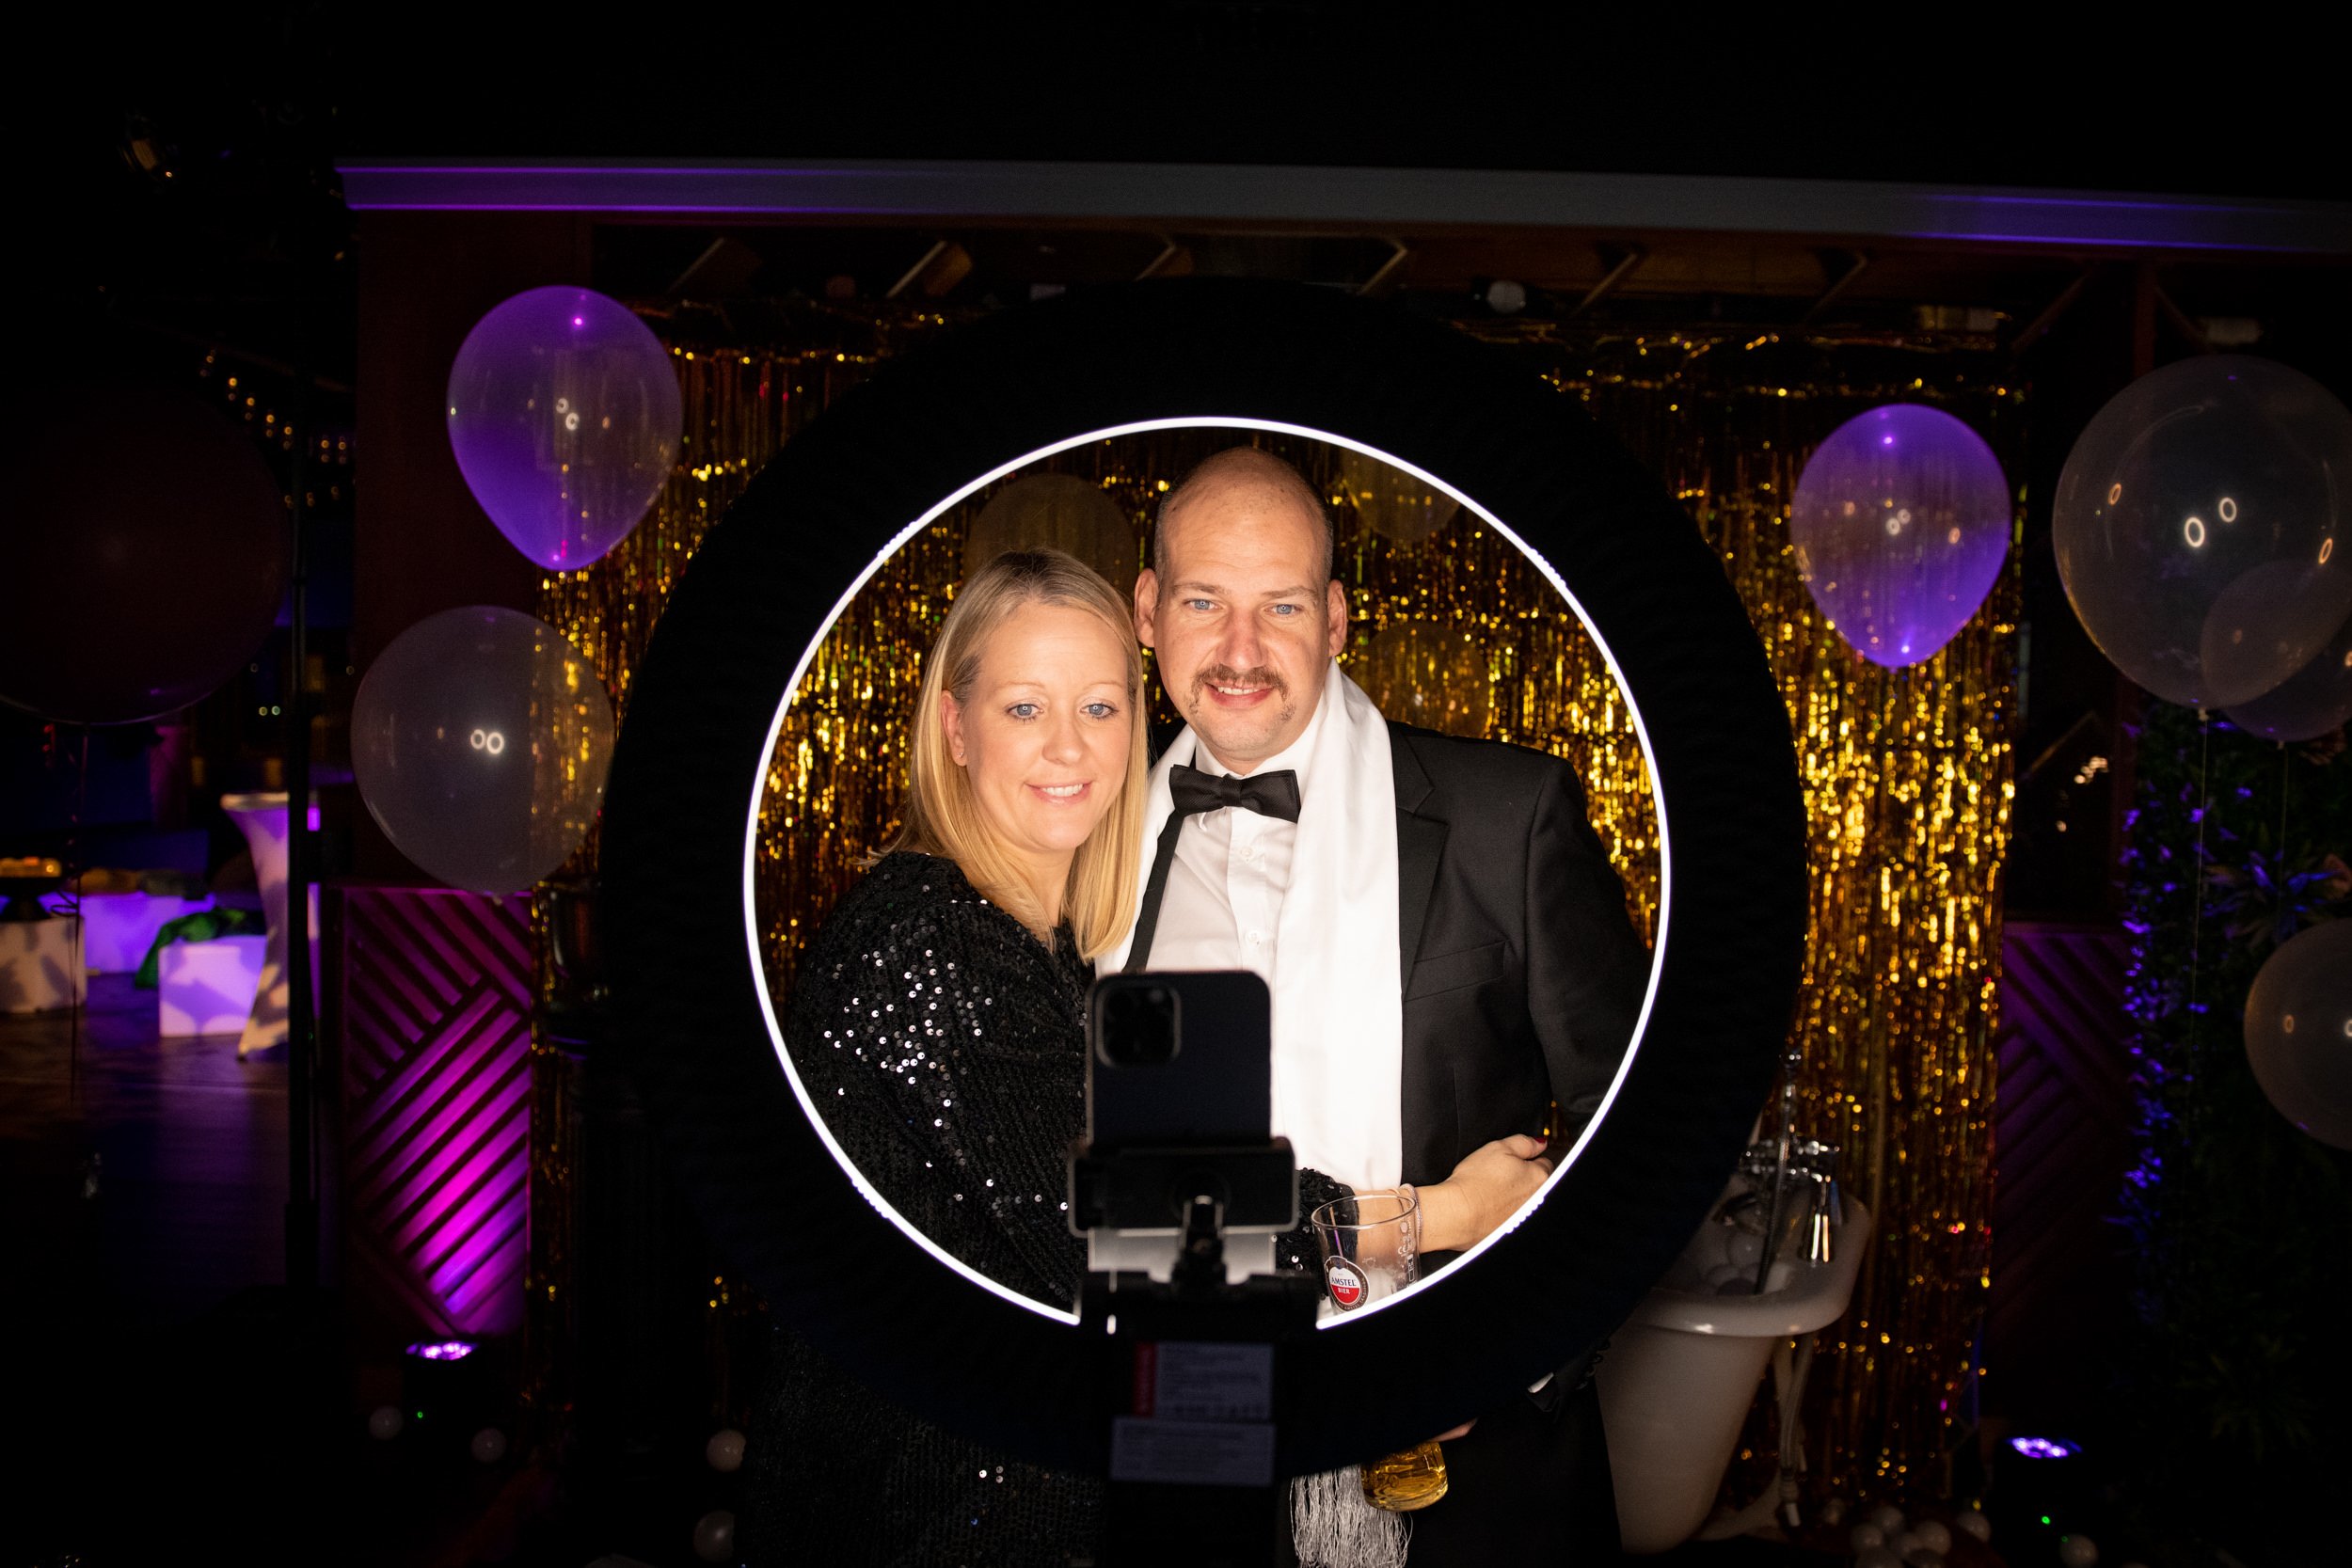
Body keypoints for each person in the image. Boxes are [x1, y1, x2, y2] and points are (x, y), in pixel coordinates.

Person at [1107, 447, 1650, 1562]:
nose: (1241, 651)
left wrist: (1495, 1347)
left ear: (1339, 617)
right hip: (1184, 1465)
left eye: (1283, 604)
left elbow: (1654, 1123)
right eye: (1205, 601)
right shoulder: (1083, 848)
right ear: (1149, 611)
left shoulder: (1510, 816)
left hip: (1475, 1483)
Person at [740, 546, 1149, 1566]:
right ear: (954, 726)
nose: (1070, 745)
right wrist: (1401, 1222)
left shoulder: (1044, 944)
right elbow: (1115, 1248)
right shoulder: (934, 939)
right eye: (1023, 707)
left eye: (1101, 706)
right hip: (915, 1523)